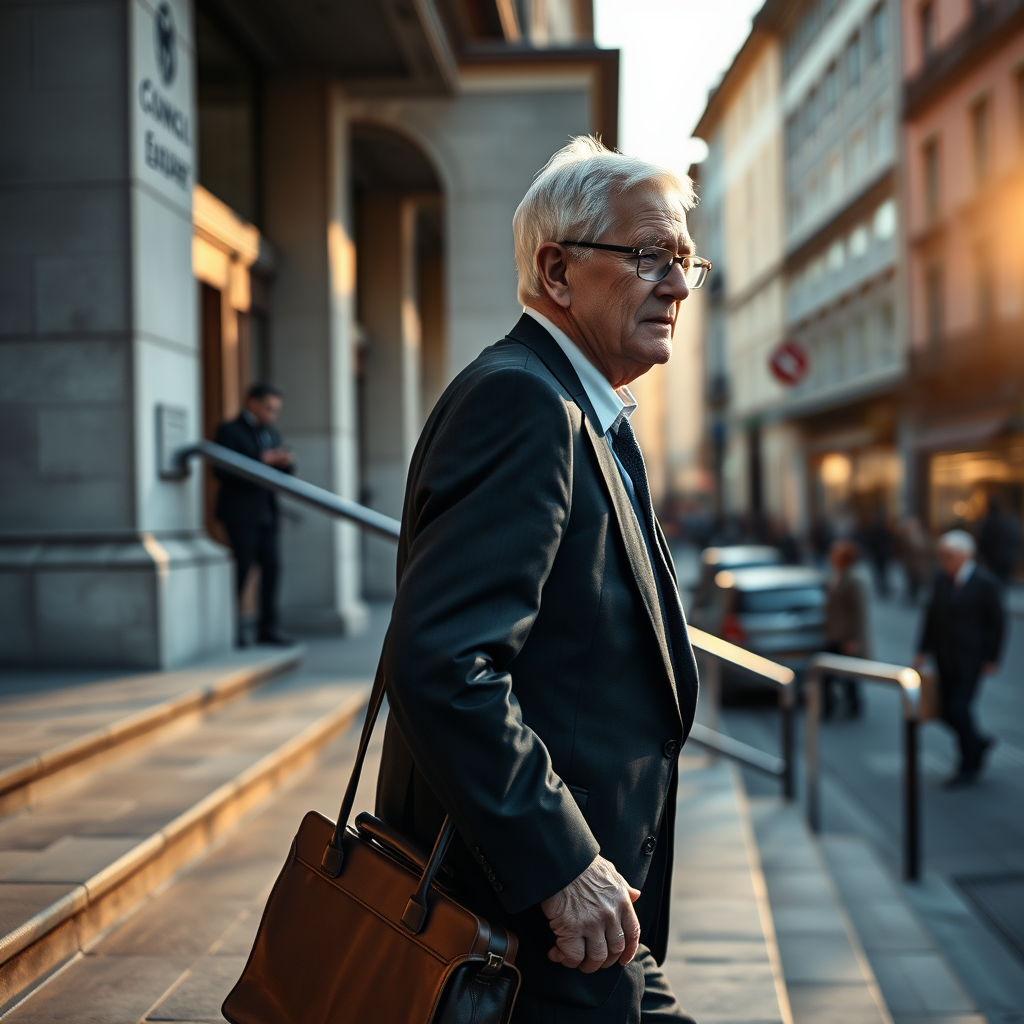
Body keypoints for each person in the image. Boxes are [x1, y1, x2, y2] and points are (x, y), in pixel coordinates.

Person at [375, 137, 706, 1023]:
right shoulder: (524, 403)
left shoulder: (581, 407)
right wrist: (562, 864)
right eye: (649, 257)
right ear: (557, 272)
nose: (676, 285)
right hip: (524, 928)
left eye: (684, 261)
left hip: (586, 927)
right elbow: (446, 661)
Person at [914, 530, 1004, 788]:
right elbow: (930, 616)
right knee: (943, 709)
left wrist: (991, 657)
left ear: (966, 555)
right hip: (945, 656)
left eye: (949, 555)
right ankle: (977, 741)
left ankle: (968, 764)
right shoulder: (941, 579)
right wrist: (922, 650)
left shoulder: (985, 583)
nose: (944, 560)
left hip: (971, 659)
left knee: (959, 707)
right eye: (941, 555)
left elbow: (996, 624)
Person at [214, 383, 295, 646]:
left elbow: (281, 472)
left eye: (277, 410)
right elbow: (221, 470)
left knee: (272, 569)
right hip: (240, 514)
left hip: (267, 513)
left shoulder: (270, 433)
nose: (273, 414)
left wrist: (285, 462)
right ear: (253, 403)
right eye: (269, 408)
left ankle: (267, 629)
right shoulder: (229, 431)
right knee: (241, 570)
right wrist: (263, 460)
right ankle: (228, 628)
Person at [821, 540, 870, 719]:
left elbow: (858, 613)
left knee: (844, 675)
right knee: (835, 674)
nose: (831, 556)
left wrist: (853, 639)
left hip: (845, 636)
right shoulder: (837, 575)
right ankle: (842, 705)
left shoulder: (853, 579)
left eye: (835, 553)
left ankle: (850, 705)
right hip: (834, 634)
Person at [976, 496, 1022, 586]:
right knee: (1003, 582)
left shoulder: (987, 523)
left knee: (994, 582)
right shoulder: (1006, 522)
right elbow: (1015, 539)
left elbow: (982, 542)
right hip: (1005, 558)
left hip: (992, 559)